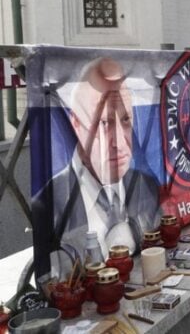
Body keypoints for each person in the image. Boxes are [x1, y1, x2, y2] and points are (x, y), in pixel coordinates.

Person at [32, 58, 161, 282]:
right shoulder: (50, 200)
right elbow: (53, 280)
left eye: (126, 120)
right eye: (104, 124)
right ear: (76, 124)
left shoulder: (146, 185)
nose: (118, 142)